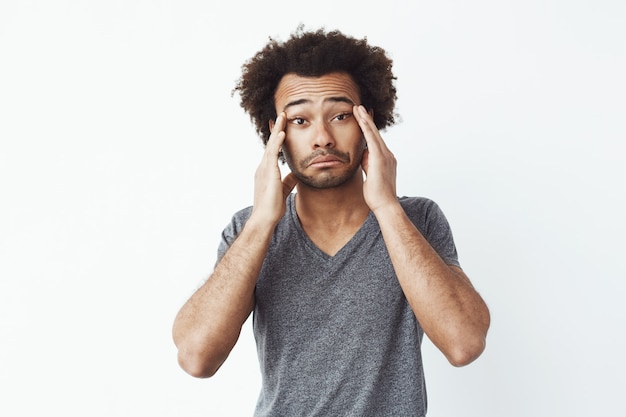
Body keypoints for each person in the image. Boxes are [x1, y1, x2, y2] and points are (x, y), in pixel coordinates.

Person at [172, 27, 490, 416]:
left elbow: (464, 343)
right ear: (275, 133)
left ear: (367, 123)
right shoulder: (249, 230)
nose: (322, 137)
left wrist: (387, 208)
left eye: (340, 115)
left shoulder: (416, 219)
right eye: (300, 121)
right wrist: (262, 223)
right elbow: (196, 358)